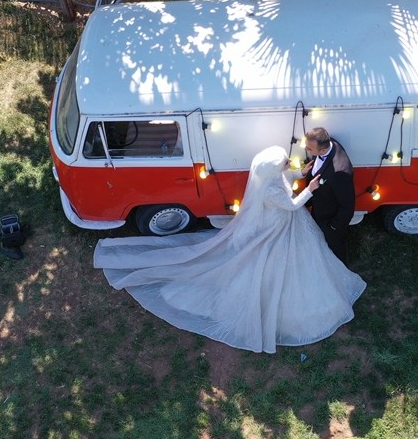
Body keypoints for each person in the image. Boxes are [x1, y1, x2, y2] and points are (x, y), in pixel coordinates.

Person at [93, 145, 365, 353]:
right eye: (284, 163)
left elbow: (287, 178)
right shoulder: (270, 192)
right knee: (279, 264)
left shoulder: (272, 178)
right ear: (273, 169)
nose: (288, 164)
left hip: (287, 221)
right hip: (279, 226)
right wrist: (311, 188)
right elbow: (293, 205)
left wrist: (300, 174)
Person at [301, 127, 355, 263]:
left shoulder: (339, 172)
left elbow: (347, 205)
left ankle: (339, 271)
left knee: (334, 247)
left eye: (309, 149)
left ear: (323, 151)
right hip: (318, 207)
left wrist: (334, 226)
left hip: (329, 218)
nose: (306, 150)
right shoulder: (326, 142)